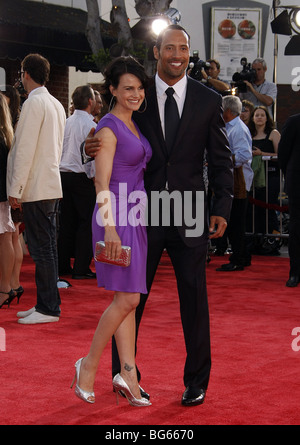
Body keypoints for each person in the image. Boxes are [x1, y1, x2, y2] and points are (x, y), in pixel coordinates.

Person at [84, 25, 234, 406]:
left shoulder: (207, 99)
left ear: (189, 53)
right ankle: (123, 373)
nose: (177, 55)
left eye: (183, 48)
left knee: (195, 301)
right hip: (141, 211)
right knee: (130, 298)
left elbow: (221, 161)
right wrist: (93, 146)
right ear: (157, 52)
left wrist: (221, 209)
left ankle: (197, 380)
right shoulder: (138, 93)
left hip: (188, 212)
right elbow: (113, 138)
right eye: (170, 48)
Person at [71, 56, 152, 407]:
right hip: (115, 216)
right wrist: (110, 227)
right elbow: (101, 181)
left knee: (128, 300)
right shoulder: (108, 127)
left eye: (139, 88)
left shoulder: (133, 123)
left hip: (134, 217)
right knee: (129, 299)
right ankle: (87, 365)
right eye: (128, 88)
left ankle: (128, 373)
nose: (135, 94)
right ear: (113, 91)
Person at [7, 53, 66, 324]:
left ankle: (48, 308)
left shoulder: (34, 104)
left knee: (42, 249)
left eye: (21, 73)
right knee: (48, 248)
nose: (20, 77)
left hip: (37, 186)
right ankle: (47, 303)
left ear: (26, 74)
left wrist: (15, 187)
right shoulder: (55, 103)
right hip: (51, 184)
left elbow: (24, 151)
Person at [58, 85, 97, 279]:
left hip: (62, 175)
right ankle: (80, 268)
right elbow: (92, 157)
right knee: (86, 223)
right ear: (90, 101)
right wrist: (95, 179)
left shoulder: (65, 122)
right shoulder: (92, 126)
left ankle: (62, 265)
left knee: (66, 222)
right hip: (83, 177)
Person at [216, 95, 253, 271]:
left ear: (228, 111)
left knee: (236, 222)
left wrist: (224, 161)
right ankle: (242, 256)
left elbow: (245, 155)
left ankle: (238, 258)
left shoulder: (237, 129)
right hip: (235, 180)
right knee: (237, 221)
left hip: (238, 182)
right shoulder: (233, 126)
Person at [248, 106, 281, 240]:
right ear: (253, 118)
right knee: (253, 209)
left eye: (262, 115)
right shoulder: (249, 133)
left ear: (267, 118)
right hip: (253, 177)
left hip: (271, 176)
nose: (259, 117)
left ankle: (272, 238)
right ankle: (254, 239)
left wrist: (261, 154)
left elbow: (280, 155)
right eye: (257, 115)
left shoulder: (274, 134)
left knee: (269, 207)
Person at [278, 113, 300, 287]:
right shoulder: (293, 121)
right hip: (297, 184)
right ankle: (295, 272)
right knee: (296, 229)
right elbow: (283, 153)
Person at [0, 92, 17, 309]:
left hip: (1, 196)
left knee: (6, 238)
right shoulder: (7, 136)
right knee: (7, 237)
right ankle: (6, 288)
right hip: (3, 195)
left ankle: (4, 289)